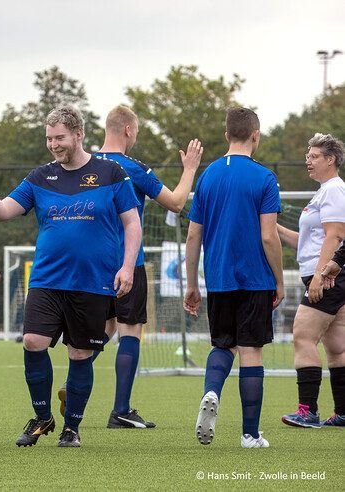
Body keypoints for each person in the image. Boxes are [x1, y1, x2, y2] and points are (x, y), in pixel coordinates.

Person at [0, 105, 142, 448]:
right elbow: (2, 211)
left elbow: (132, 223)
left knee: (80, 354)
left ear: (79, 134)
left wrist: (127, 265)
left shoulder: (111, 173)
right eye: (49, 138)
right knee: (33, 341)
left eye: (59, 137)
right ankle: (43, 416)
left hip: (92, 282)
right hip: (46, 280)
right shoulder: (39, 177)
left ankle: (71, 428)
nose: (53, 144)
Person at [56, 105, 203, 428]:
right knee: (130, 329)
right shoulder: (132, 168)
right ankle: (121, 409)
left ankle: (72, 383)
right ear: (128, 131)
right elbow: (177, 203)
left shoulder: (85, 163)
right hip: (127, 263)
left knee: (106, 327)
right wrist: (190, 168)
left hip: (91, 266)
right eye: (135, 132)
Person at [184, 107, 284, 449]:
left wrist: (192, 284)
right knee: (251, 351)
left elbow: (193, 236)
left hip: (219, 278)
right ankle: (250, 435)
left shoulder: (207, 176)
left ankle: (212, 390)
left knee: (222, 344)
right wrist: (280, 281)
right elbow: (269, 236)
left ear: (227, 135)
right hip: (256, 279)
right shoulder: (264, 178)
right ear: (255, 135)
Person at [276, 133, 345, 428]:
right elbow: (304, 240)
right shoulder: (323, 191)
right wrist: (270, 225)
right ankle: (342, 413)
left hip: (327, 278)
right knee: (338, 346)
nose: (308, 161)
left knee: (303, 336)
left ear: (331, 160)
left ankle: (307, 411)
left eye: (314, 156)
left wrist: (318, 277)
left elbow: (335, 235)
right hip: (328, 277)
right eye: (307, 155)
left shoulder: (333, 190)